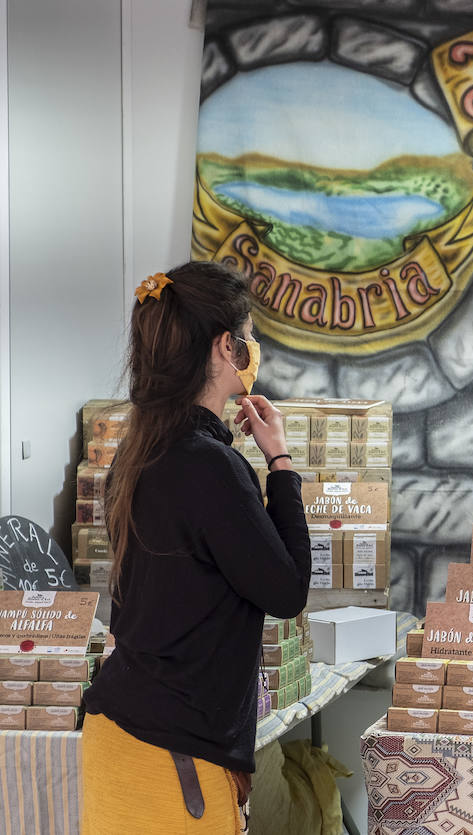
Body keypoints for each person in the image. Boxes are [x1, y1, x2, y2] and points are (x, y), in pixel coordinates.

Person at [82, 262, 311, 833]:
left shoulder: (137, 456)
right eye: (248, 336)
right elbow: (286, 590)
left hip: (117, 735)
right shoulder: (208, 466)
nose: (252, 347)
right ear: (222, 348)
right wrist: (280, 464)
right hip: (171, 756)